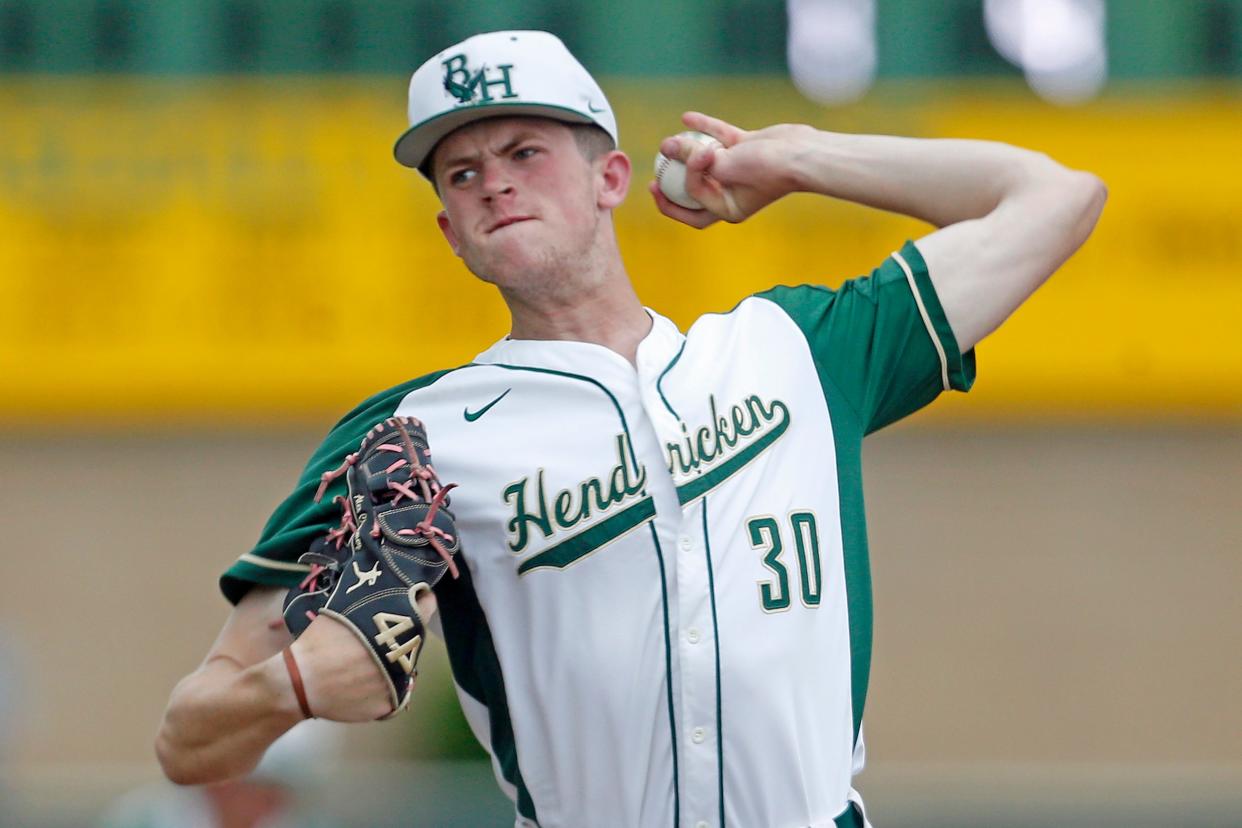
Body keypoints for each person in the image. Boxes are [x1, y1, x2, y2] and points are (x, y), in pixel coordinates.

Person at [156, 30, 1105, 828]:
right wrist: (297, 688)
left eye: (525, 151)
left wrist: (799, 156)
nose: (494, 183)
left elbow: (1057, 198)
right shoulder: (415, 436)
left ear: (611, 175)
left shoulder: (794, 353)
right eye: (463, 170)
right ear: (449, 229)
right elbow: (185, 740)